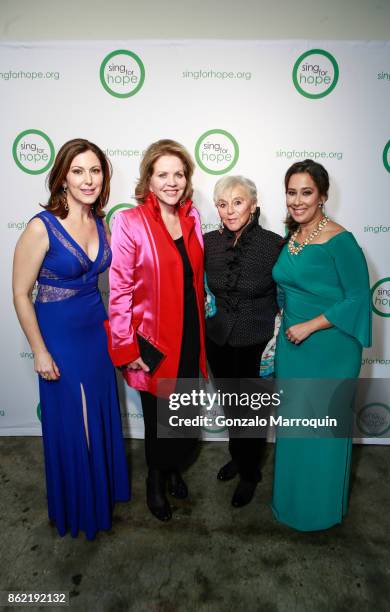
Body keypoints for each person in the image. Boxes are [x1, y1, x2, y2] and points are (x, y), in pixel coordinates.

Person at [12, 138, 130, 540]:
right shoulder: (40, 226)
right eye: (78, 170)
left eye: (95, 170)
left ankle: (101, 493)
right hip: (59, 333)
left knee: (97, 411)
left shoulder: (101, 221)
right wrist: (39, 350)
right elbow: (18, 294)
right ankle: (80, 506)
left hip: (94, 330)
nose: (88, 179)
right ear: (62, 176)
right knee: (74, 420)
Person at [107, 139, 207, 522]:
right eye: (162, 174)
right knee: (158, 417)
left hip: (190, 335)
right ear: (148, 180)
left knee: (183, 412)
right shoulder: (130, 222)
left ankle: (175, 467)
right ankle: (155, 480)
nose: (172, 182)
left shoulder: (191, 217)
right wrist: (126, 346)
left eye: (178, 174)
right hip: (153, 343)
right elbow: (120, 291)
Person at [271, 159, 372, 531]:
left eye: (307, 192)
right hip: (293, 348)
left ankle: (318, 510)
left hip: (330, 348)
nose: (297, 201)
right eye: (292, 192)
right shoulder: (294, 237)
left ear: (323, 196)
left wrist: (309, 326)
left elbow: (358, 298)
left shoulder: (341, 240)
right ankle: (291, 502)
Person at [204, 176, 281, 507]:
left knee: (253, 413)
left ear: (253, 203)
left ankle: (250, 472)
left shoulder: (274, 245)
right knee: (232, 408)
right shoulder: (207, 243)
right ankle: (238, 457)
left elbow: (286, 296)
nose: (230, 210)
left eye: (237, 202)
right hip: (218, 340)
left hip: (256, 342)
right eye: (222, 203)